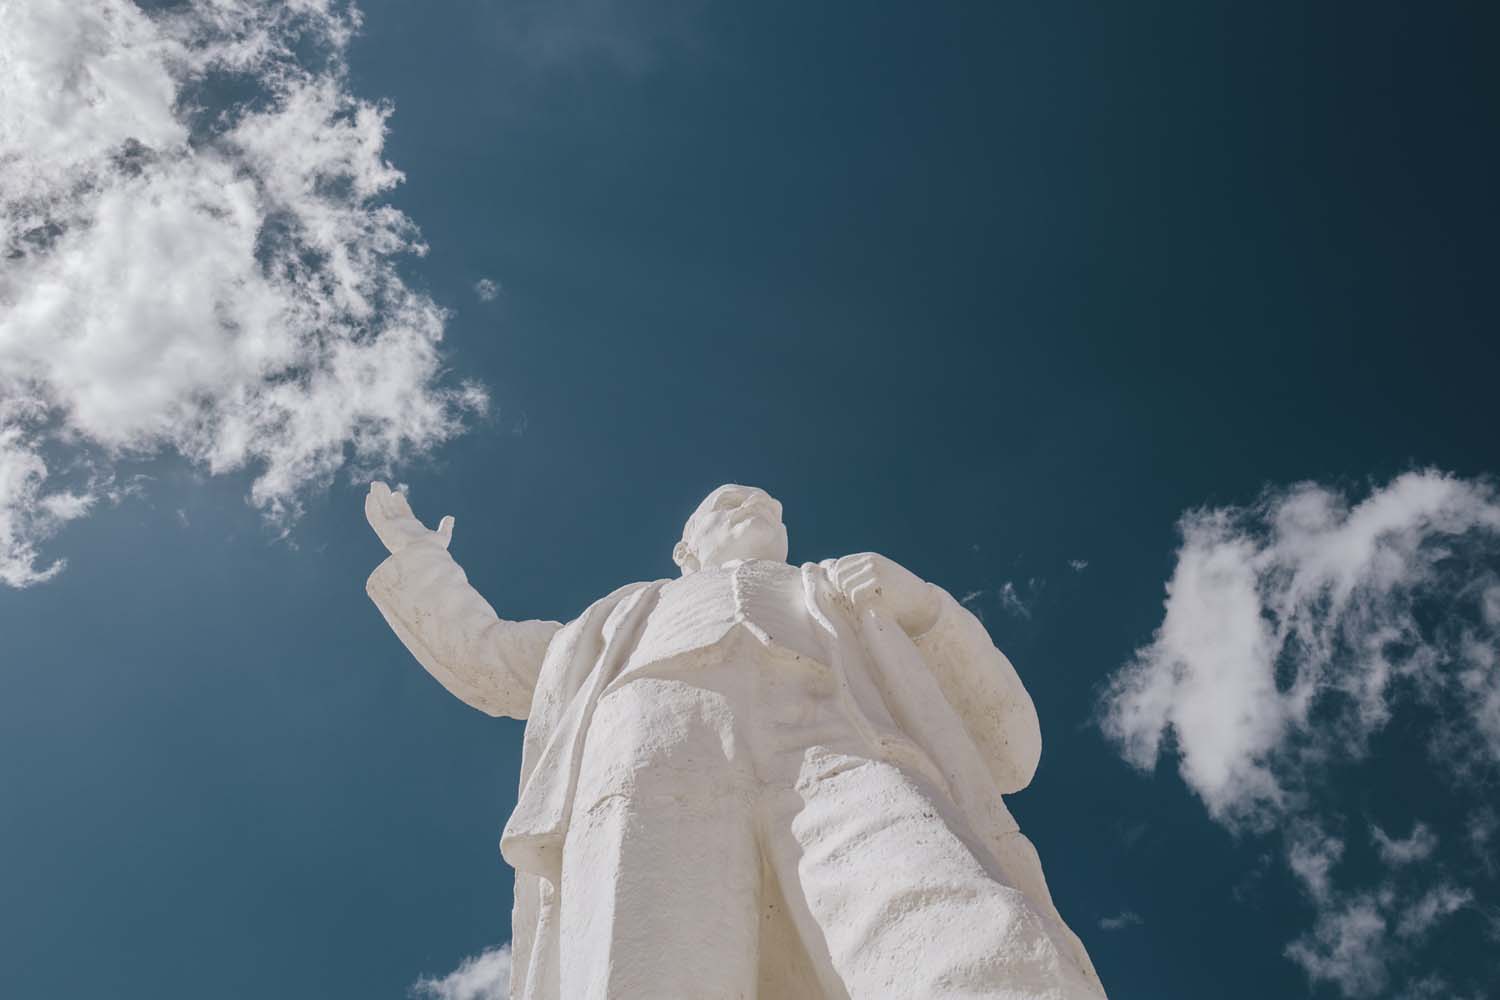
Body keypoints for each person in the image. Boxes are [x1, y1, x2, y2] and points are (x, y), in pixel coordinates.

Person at [366, 481, 1105, 999]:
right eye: (732, 502)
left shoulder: (843, 592)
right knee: (646, 962)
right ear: (686, 549)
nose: (759, 504)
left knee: (955, 921)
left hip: (841, 744)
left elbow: (1007, 746)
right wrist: (420, 559)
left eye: (771, 504)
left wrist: (929, 612)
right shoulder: (620, 616)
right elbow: (489, 658)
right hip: (647, 754)